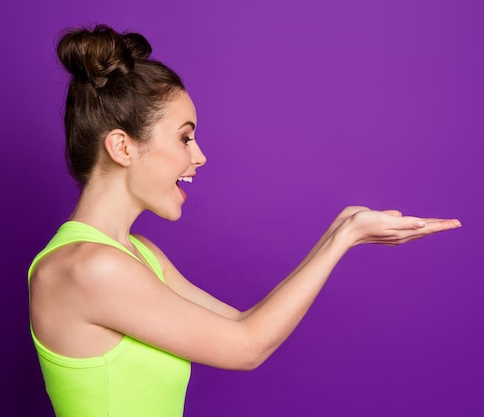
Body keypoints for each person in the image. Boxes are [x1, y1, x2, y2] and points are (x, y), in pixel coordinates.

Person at [28, 24, 461, 417]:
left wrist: (339, 230)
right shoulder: (87, 268)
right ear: (122, 147)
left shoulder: (140, 254)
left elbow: (240, 324)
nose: (198, 156)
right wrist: (342, 239)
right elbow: (247, 349)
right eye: (185, 137)